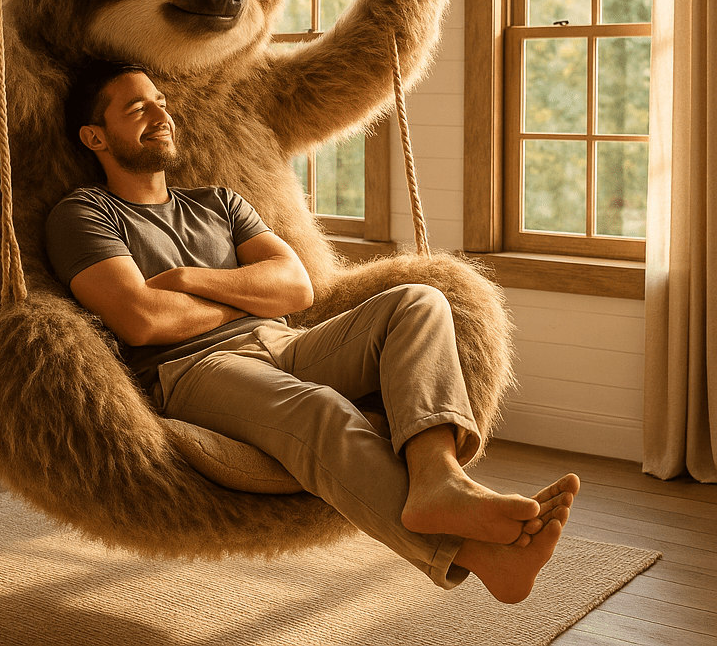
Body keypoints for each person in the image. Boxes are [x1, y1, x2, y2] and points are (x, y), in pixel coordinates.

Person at [45, 60, 579, 603]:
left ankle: (437, 476)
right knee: (321, 408)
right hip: (193, 370)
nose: (161, 114)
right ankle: (474, 555)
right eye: (138, 108)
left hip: (284, 343)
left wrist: (189, 280)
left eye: (161, 101)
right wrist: (239, 297)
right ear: (95, 136)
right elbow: (143, 319)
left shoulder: (220, 203)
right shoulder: (84, 214)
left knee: (419, 301)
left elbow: (295, 288)